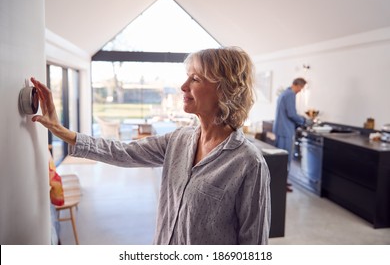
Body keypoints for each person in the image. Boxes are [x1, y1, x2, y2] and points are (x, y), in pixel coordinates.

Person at [31, 46, 271, 245]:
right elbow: (123, 152)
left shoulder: (248, 163)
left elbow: (254, 245)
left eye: (195, 78)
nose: (183, 86)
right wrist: (63, 132)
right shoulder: (179, 139)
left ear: (225, 90)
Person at [272, 77, 312, 192]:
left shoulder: (284, 93)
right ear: (297, 85)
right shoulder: (290, 94)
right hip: (285, 131)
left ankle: (281, 182)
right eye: (301, 88)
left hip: (280, 130)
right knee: (285, 159)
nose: (301, 90)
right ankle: (281, 185)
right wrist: (304, 121)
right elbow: (291, 114)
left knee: (280, 158)